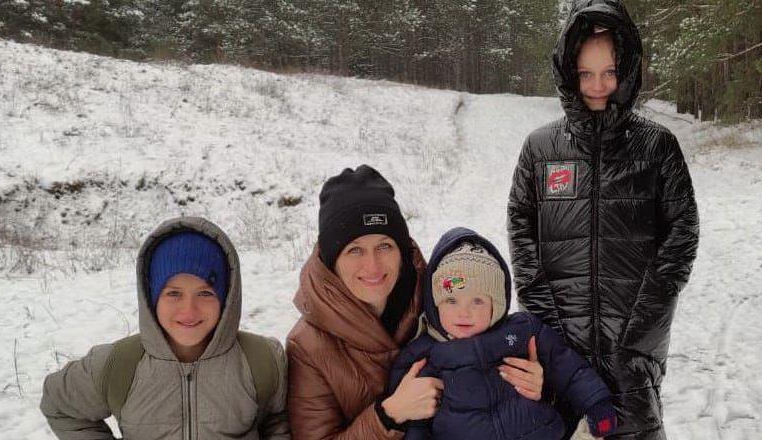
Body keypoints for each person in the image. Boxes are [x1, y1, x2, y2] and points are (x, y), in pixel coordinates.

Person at [507, 1, 699, 438]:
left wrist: (642, 329)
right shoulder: (540, 148)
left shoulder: (657, 147)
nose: (598, 86)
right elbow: (522, 231)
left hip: (633, 350)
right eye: (586, 73)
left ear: (627, 69)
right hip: (559, 354)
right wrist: (544, 327)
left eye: (610, 72)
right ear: (568, 72)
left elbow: (682, 233)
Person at [286, 165, 545, 440]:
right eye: (354, 250)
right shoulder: (308, 346)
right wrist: (388, 415)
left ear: (402, 249)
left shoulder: (440, 295)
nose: (372, 265)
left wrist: (529, 380)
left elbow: (489, 317)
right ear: (331, 261)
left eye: (384, 245)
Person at [40, 217, 289, 439]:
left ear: (226, 298)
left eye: (205, 293)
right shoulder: (115, 366)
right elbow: (59, 406)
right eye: (173, 294)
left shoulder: (264, 361)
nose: (189, 310)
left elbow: (278, 419)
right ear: (151, 298)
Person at [388, 227, 616, 439]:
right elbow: (416, 423)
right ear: (436, 305)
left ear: (495, 305)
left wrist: (596, 403)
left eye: (477, 301)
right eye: (451, 300)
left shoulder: (521, 330)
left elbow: (566, 366)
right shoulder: (424, 354)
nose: (463, 312)